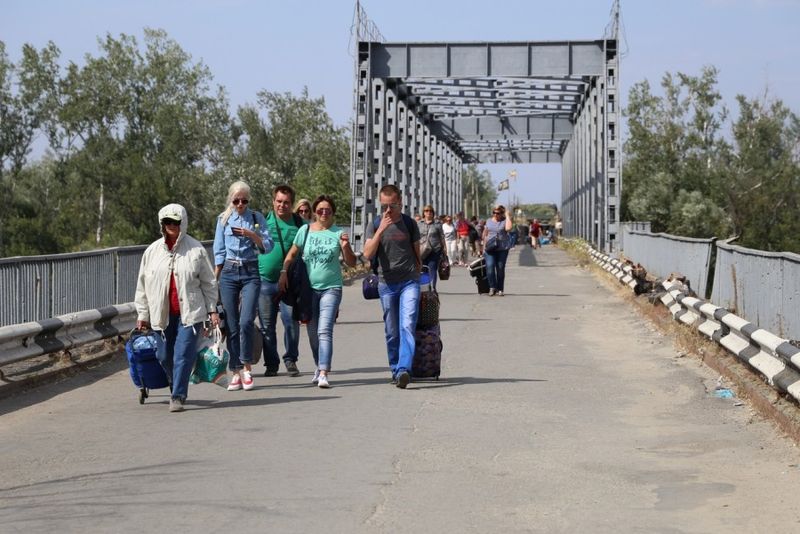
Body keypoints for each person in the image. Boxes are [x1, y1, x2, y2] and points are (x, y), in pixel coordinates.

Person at [134, 204, 220, 413]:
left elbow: (209, 283)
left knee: (182, 354)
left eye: (176, 222)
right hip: (162, 315)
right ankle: (175, 382)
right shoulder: (152, 252)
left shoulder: (196, 250)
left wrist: (212, 310)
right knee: (164, 356)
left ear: (183, 223)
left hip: (190, 314)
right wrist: (143, 314)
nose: (172, 225)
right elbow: (142, 286)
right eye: (167, 222)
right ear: (162, 224)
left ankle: (178, 395)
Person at [280, 195, 356, 388]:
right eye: (320, 210)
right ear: (314, 212)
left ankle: (323, 372)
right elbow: (292, 253)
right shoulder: (305, 230)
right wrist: (284, 271)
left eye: (327, 210)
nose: (324, 213)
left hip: (332, 288)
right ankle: (318, 365)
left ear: (333, 212)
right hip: (308, 290)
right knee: (313, 333)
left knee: (324, 330)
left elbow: (352, 262)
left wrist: (346, 247)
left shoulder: (338, 233)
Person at [213, 181, 273, 392]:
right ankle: (236, 371)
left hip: (250, 271)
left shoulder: (256, 218)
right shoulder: (223, 219)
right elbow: (219, 250)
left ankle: (247, 367)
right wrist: (214, 279)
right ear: (231, 199)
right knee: (231, 324)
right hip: (229, 271)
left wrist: (253, 236)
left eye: (244, 201)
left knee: (246, 320)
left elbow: (268, 246)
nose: (240, 204)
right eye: (236, 200)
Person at [363, 184, 421, 389]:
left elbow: (417, 254)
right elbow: (367, 253)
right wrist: (380, 230)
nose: (388, 210)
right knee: (392, 330)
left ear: (400, 203)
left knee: (407, 325)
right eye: (384, 206)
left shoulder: (409, 224)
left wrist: (420, 276)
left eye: (392, 206)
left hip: (409, 282)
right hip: (386, 284)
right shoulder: (375, 224)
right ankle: (396, 369)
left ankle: (404, 369)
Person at [258, 184, 307, 377]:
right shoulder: (262, 221)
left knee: (291, 323)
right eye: (278, 201)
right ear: (273, 201)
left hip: (290, 283)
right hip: (264, 281)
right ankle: (271, 364)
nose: (282, 205)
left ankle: (290, 359)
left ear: (292, 204)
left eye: (286, 202)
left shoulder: (300, 224)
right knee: (267, 326)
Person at [482, 204, 513, 296]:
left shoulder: (505, 221)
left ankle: (500, 289)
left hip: (502, 249)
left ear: (502, 213)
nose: (495, 214)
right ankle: (492, 287)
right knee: (490, 267)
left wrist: (507, 216)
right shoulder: (488, 221)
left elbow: (508, 228)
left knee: (500, 268)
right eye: (494, 212)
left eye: (498, 213)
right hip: (490, 248)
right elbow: (485, 234)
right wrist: (483, 247)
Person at [417, 205, 448, 291]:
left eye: (430, 211)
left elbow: (442, 237)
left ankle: (432, 287)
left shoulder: (437, 224)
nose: (428, 213)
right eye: (426, 211)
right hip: (422, 250)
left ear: (433, 213)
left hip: (435, 250)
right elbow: (416, 237)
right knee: (423, 269)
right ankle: (425, 287)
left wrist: (444, 248)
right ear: (423, 213)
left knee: (432, 268)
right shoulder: (419, 224)